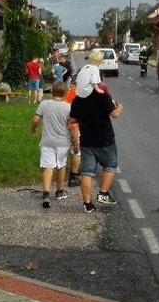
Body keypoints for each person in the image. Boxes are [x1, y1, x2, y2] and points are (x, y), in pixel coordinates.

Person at [68, 76, 123, 212]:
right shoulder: (102, 97)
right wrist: (120, 107)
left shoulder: (77, 100)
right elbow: (115, 114)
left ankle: (87, 204)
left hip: (87, 140)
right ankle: (103, 193)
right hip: (105, 140)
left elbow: (73, 119)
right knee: (110, 166)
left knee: (87, 171)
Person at [32, 81, 72, 209]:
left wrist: (33, 129)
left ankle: (46, 194)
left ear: (52, 92)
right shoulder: (68, 107)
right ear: (65, 93)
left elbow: (36, 120)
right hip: (63, 142)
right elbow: (71, 126)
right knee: (61, 165)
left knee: (48, 167)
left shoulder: (44, 104)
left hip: (47, 141)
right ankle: (60, 191)